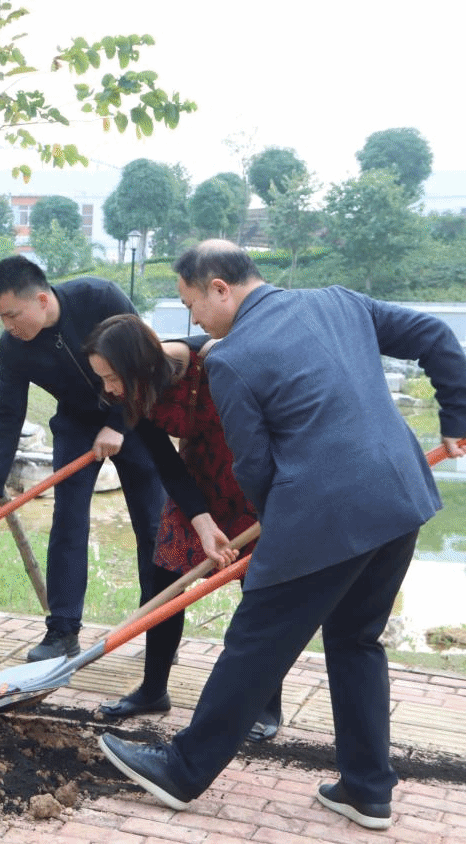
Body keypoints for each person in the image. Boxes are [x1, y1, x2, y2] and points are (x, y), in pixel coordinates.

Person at [98, 240, 466, 831]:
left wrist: (281, 530)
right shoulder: (340, 301)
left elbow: (254, 465)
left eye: (192, 304)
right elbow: (436, 337)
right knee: (356, 640)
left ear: (220, 288)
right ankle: (367, 789)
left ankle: (183, 771)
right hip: (401, 498)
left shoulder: (231, 358)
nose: (194, 319)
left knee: (255, 640)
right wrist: (457, 415)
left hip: (324, 512)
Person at [84, 314, 280, 742]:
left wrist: (280, 492)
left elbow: (276, 422)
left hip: (254, 483)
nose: (109, 390)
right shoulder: (137, 394)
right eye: (102, 379)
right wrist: (202, 522)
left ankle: (266, 703)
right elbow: (167, 462)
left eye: (113, 377)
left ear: (139, 365)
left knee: (259, 593)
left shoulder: (219, 361)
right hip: (195, 483)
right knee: (164, 581)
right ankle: (153, 690)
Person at [0, 255, 165, 662]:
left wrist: (118, 423)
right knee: (68, 522)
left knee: (152, 525)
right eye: (0, 317)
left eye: (12, 315)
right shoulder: (14, 346)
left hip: (135, 416)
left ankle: (160, 628)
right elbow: (7, 416)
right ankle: (62, 631)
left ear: (42, 300)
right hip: (76, 425)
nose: (7, 326)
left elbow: (145, 361)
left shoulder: (100, 297)